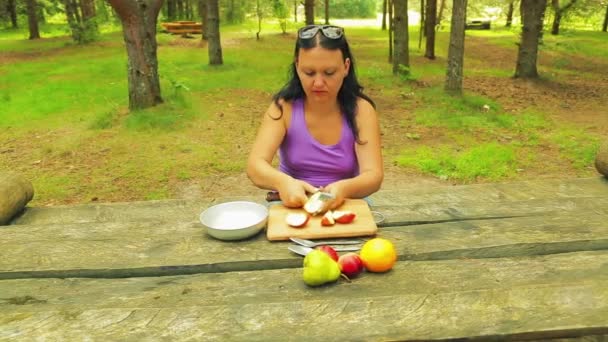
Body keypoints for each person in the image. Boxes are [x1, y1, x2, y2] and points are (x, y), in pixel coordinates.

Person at [246, 24, 383, 209]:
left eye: (329, 73)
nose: (318, 83)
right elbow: (255, 165)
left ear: (345, 67)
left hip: (345, 203)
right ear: (297, 66)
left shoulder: (362, 111)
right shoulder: (283, 108)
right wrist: (284, 183)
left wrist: (342, 189)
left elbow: (373, 175)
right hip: (291, 203)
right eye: (309, 73)